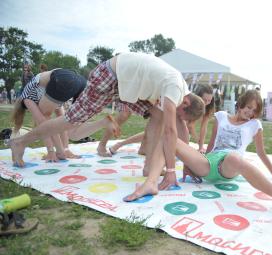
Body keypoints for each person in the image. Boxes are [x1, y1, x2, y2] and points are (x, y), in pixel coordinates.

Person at [10, 52, 205, 191]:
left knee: (158, 115)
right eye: (181, 113)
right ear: (186, 102)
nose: (178, 116)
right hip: (111, 76)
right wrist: (171, 170)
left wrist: (188, 160)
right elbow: (171, 131)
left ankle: (148, 166)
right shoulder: (176, 89)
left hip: (127, 85)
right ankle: (21, 142)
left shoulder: (181, 91)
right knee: (71, 121)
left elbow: (179, 129)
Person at [123, 90, 272, 226]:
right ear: (240, 104)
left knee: (234, 158)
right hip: (210, 163)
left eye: (254, 110)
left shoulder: (254, 125)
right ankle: (151, 182)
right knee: (168, 138)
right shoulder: (222, 117)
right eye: (248, 107)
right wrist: (190, 163)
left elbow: (261, 152)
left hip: (230, 165)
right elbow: (211, 145)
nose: (250, 112)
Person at [11, 68, 87, 161]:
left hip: (62, 79)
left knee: (45, 120)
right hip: (80, 80)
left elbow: (43, 123)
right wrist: (65, 148)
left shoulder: (26, 97)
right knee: (64, 120)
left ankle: (59, 152)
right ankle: (65, 150)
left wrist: (51, 151)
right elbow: (62, 119)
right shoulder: (47, 93)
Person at [186, 84, 214, 153]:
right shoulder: (191, 104)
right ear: (198, 97)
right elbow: (190, 126)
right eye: (204, 100)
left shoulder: (208, 107)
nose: (206, 103)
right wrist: (198, 142)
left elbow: (204, 128)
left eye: (209, 100)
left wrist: (201, 147)